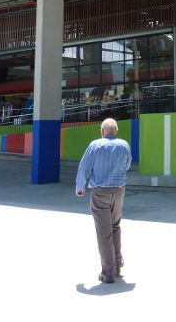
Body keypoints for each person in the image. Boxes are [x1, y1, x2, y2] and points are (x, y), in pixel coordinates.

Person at [75, 118, 132, 284]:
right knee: (115, 227)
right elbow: (127, 165)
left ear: (102, 131)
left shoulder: (95, 145)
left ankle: (108, 273)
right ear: (116, 131)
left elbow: (84, 166)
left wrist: (80, 187)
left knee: (104, 232)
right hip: (119, 191)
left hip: (101, 192)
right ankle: (117, 266)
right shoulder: (124, 145)